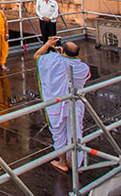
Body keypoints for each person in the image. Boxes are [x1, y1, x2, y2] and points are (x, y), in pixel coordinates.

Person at [35, 36, 90, 173]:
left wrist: (48, 44)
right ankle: (76, 164)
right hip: (75, 103)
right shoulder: (83, 67)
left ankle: (63, 162)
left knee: (59, 133)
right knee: (76, 132)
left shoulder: (55, 60)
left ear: (62, 51)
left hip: (58, 103)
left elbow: (37, 56)